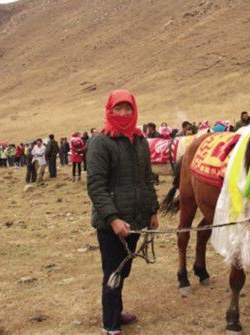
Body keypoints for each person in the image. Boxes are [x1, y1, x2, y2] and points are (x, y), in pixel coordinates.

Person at [87, 89, 159, 335]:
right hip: (111, 224)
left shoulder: (139, 141)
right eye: (119, 108)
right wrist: (113, 218)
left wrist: (153, 210)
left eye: (128, 108)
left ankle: (116, 311)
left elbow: (147, 179)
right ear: (110, 110)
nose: (124, 113)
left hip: (137, 219)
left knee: (124, 269)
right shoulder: (101, 142)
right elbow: (95, 186)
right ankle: (111, 325)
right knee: (113, 272)